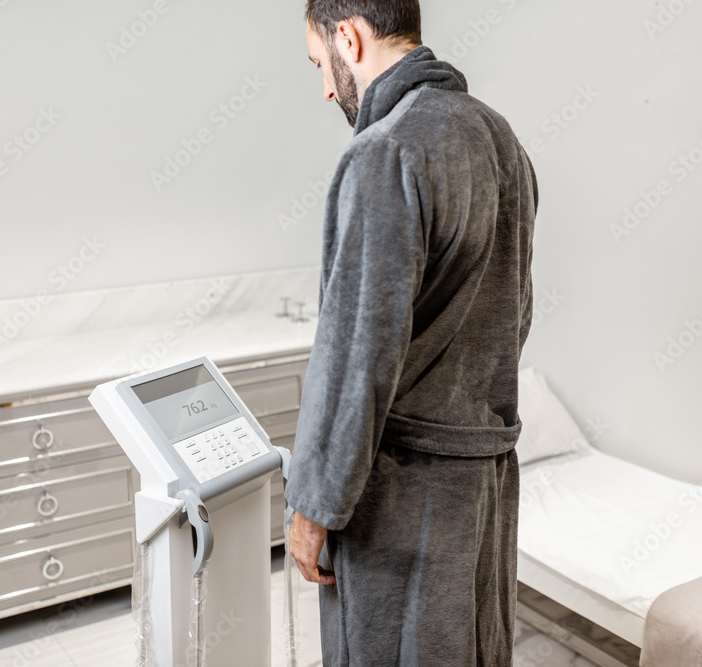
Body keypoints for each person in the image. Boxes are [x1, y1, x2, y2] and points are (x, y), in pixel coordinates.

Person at [283, 1, 539, 665]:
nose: (324, 88)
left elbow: (354, 356)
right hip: (483, 486)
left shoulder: (384, 150)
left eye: (320, 64)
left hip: (402, 498)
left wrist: (313, 507)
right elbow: (517, 313)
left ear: (350, 36)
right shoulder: (501, 139)